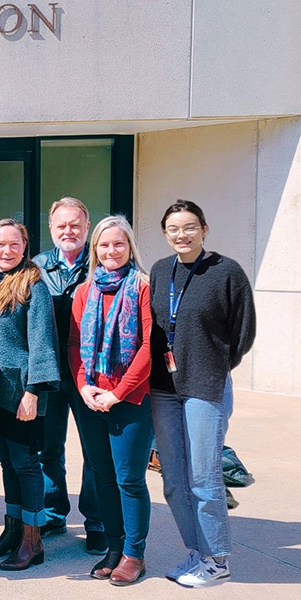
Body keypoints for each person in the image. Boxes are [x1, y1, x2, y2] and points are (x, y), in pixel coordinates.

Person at [149, 200, 255, 588]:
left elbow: (243, 332)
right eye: (174, 228)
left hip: (204, 387)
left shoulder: (227, 272)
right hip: (164, 388)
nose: (182, 234)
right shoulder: (161, 271)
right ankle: (198, 553)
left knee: (204, 479)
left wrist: (215, 366)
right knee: (173, 479)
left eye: (189, 227)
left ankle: (218, 560)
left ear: (204, 229)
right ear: (165, 233)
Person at [0, 219, 60, 571]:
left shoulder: (33, 285)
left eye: (13, 244)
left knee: (26, 465)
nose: (6, 251)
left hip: (21, 392)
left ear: (25, 247)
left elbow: (42, 341)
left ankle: (31, 540)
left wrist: (34, 392)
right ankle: (11, 531)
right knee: (8, 464)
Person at [68, 216, 153, 586]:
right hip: (91, 398)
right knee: (102, 475)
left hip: (130, 399)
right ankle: (114, 548)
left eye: (118, 244)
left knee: (129, 479)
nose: (111, 251)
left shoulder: (143, 287)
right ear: (95, 250)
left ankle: (135, 554)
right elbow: (74, 344)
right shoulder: (85, 290)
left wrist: (118, 393)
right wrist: (85, 387)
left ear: (130, 246)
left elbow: (150, 346)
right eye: (104, 245)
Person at [32, 197, 105, 553]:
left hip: (89, 374)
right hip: (49, 374)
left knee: (94, 451)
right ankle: (53, 512)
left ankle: (96, 521)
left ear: (86, 226)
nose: (68, 231)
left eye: (75, 224)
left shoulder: (102, 263)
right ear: (51, 228)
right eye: (61, 225)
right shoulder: (37, 267)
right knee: (48, 449)